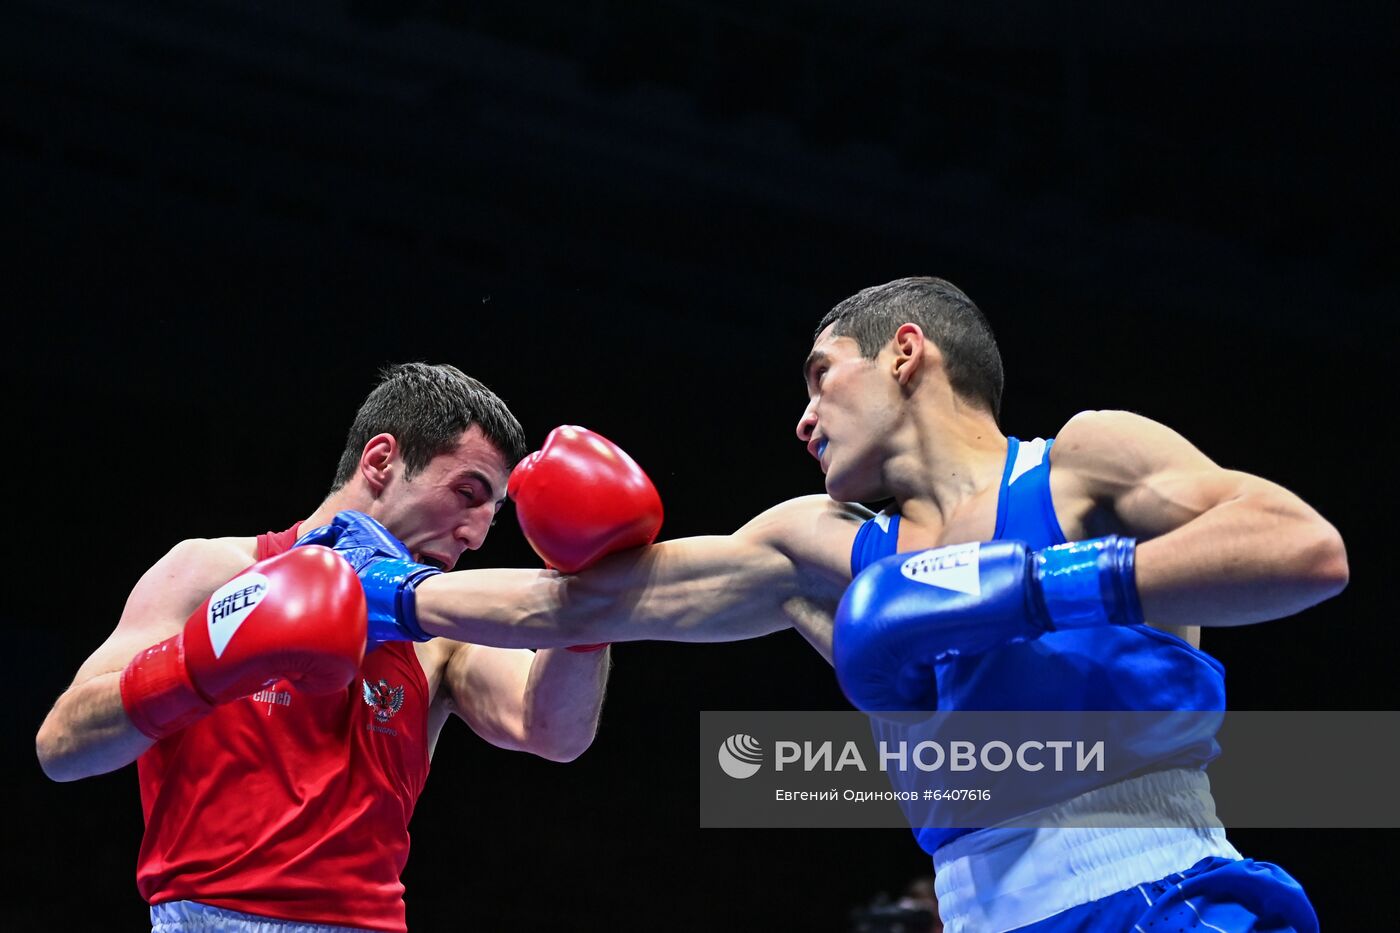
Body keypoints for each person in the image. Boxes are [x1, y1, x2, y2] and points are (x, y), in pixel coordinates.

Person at [337, 278, 1347, 932]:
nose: (801, 416)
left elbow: (1299, 549)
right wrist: (387, 591)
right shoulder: (814, 548)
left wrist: (1030, 588)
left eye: (821, 377)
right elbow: (573, 609)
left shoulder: (1084, 463)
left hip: (1164, 895)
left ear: (905, 353)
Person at [35, 362, 638, 933]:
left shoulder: (443, 633)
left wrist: (587, 584)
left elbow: (555, 733)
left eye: (494, 513)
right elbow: (61, 748)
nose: (476, 534)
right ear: (381, 460)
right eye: (467, 492)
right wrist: (197, 668)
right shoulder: (211, 573)